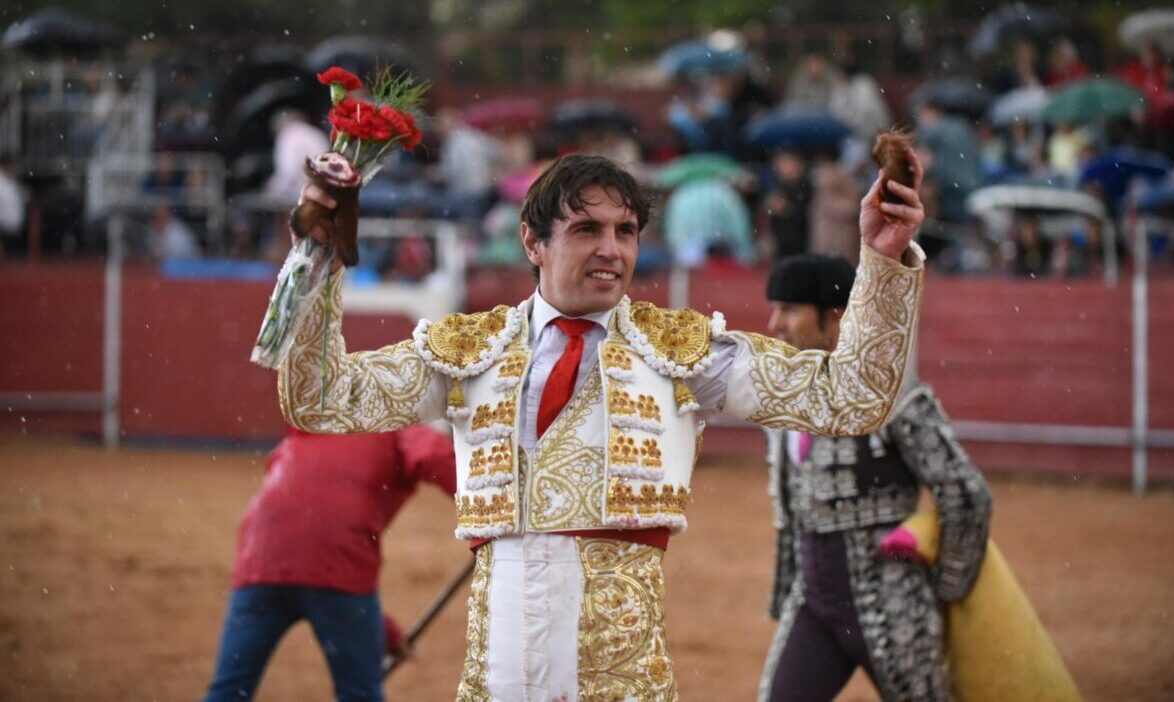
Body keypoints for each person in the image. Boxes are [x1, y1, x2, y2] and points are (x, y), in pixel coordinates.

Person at [277, 150, 928, 700]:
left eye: (626, 231)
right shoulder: (470, 352)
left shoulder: (681, 353)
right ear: (533, 242)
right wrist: (318, 252)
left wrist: (884, 261)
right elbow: (321, 398)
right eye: (587, 229)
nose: (612, 250)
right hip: (498, 679)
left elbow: (852, 398)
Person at [756, 254, 992, 702]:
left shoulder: (889, 391)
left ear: (834, 315)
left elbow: (965, 492)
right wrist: (788, 592)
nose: (774, 324)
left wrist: (946, 588)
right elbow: (790, 510)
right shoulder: (786, 396)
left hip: (890, 600)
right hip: (813, 605)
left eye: (789, 309)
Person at [203, 425, 456, 702]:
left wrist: (382, 633)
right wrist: (488, 504)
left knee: (229, 691)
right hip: (339, 572)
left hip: (260, 563)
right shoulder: (394, 426)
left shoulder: (316, 427)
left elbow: (305, 547)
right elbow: (433, 454)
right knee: (359, 695)